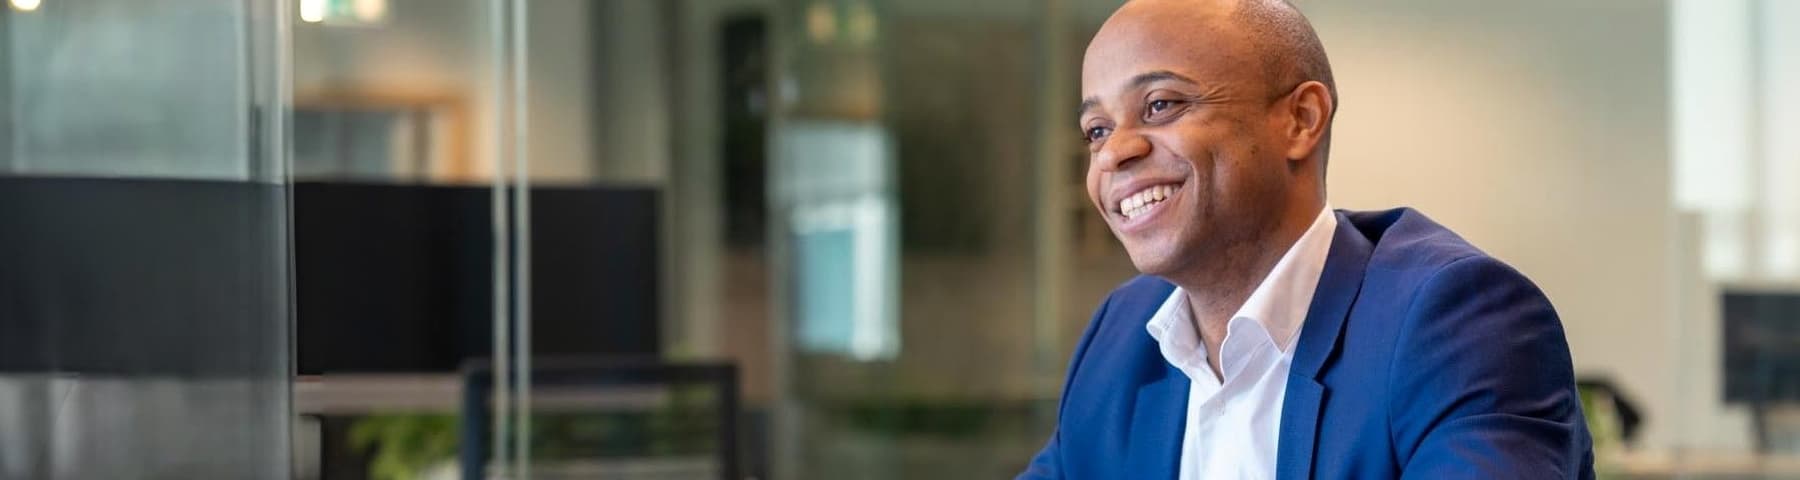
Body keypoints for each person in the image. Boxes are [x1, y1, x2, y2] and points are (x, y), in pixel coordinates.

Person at [1018, 0, 1594, 478]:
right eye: (1096, 130)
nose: (1115, 152)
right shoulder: (1121, 338)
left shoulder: (1457, 320)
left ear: (1300, 120)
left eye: (1162, 105)